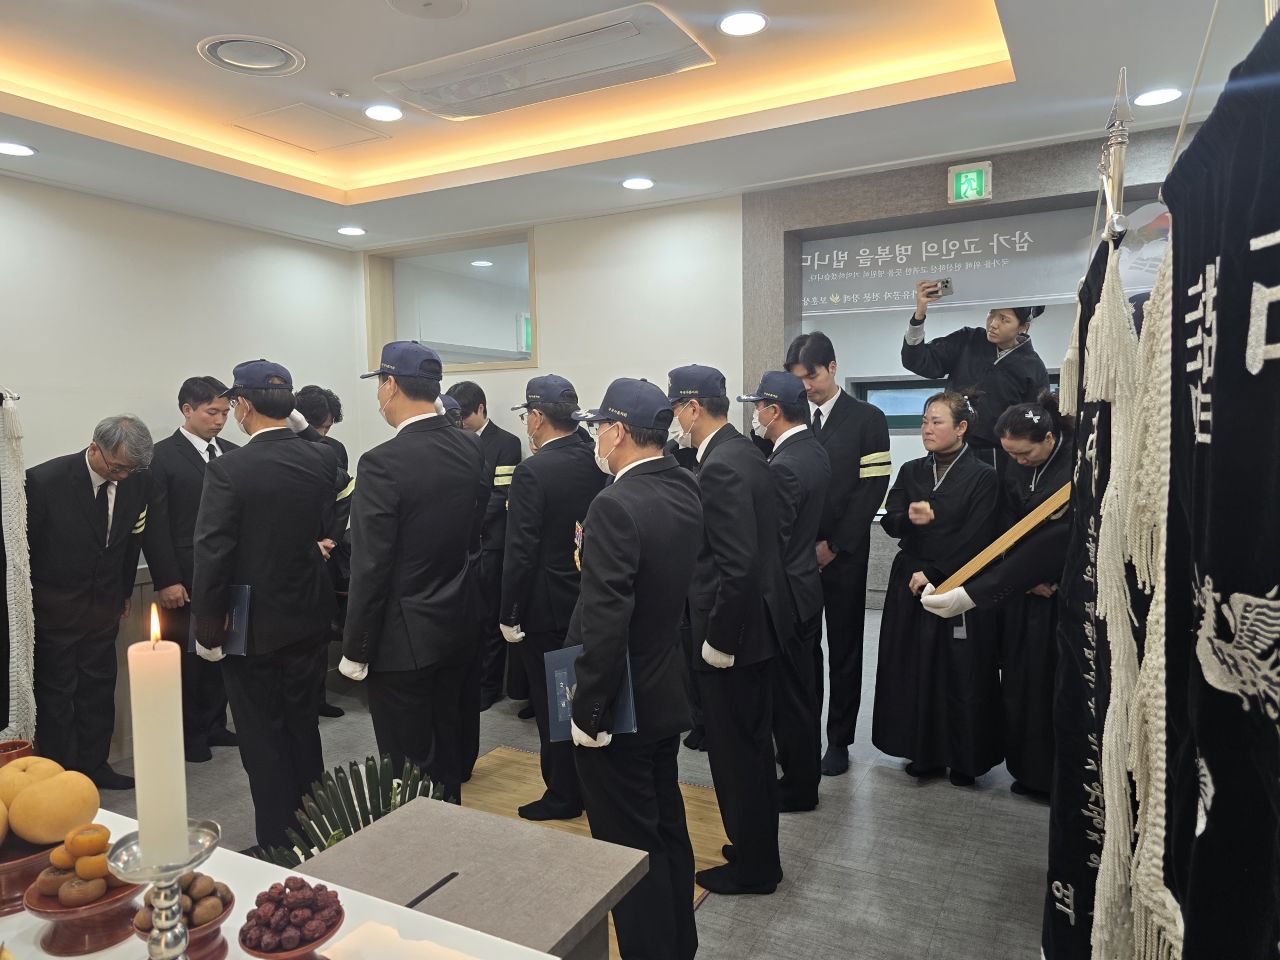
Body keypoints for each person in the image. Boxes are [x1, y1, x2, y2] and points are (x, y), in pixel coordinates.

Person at [568, 377, 702, 960]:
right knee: (666, 827)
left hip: (621, 701)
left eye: (600, 427)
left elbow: (606, 620)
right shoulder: (682, 484)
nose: (597, 437)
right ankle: (677, 945)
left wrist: (589, 711)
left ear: (618, 431)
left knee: (625, 848)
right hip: (664, 686)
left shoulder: (614, 504)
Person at [191, 360, 339, 849]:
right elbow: (327, 457)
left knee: (263, 740)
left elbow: (213, 553)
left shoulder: (229, 469)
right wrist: (297, 420)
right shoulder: (319, 459)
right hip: (308, 617)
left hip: (251, 625)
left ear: (242, 406)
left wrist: (207, 630)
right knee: (303, 729)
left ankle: (278, 844)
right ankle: (317, 830)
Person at [339, 342, 488, 805]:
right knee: (446, 753)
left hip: (401, 640)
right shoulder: (470, 447)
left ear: (389, 385)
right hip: (457, 623)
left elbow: (371, 564)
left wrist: (355, 647)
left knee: (408, 768)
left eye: (379, 386)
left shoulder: (381, 462)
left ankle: (421, 850)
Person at [669, 364, 792, 895]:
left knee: (737, 757)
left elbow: (736, 566)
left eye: (676, 409)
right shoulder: (744, 452)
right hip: (757, 627)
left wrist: (718, 641)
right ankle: (754, 848)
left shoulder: (720, 465)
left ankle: (756, 868)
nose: (674, 420)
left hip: (734, 636)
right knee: (751, 750)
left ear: (693, 407)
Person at [922, 391, 1074, 799]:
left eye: (1025, 454)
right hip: (1020, 589)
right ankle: (1025, 770)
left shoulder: (1076, 466)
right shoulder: (1013, 463)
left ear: (1048, 439)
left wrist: (1034, 576)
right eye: (1010, 455)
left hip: (1057, 593)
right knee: (1018, 681)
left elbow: (1063, 538)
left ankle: (1053, 778)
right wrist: (1019, 575)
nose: (1018, 462)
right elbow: (1006, 521)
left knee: (1050, 684)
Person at [871, 392, 1002, 786]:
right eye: (925, 421)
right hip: (910, 579)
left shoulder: (984, 476)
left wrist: (936, 573)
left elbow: (980, 535)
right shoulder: (912, 470)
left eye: (937, 421)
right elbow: (890, 519)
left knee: (960, 670)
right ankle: (922, 752)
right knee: (913, 667)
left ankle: (963, 758)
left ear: (961, 428)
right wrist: (909, 518)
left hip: (959, 581)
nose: (927, 428)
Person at [500, 375, 607, 820]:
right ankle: (589, 787)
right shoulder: (596, 459)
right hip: (588, 599)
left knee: (553, 708)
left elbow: (520, 550)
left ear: (538, 417)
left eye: (528, 415)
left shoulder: (533, 471)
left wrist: (509, 613)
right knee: (585, 701)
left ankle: (563, 794)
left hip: (544, 608)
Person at [27, 415, 153, 790]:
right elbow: (26, 553)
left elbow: (131, 540)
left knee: (98, 690)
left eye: (130, 469)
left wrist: (124, 591)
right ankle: (63, 776)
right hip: (54, 611)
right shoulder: (44, 481)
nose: (123, 476)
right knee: (57, 695)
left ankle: (95, 766)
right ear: (95, 448)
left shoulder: (137, 480)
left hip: (104, 608)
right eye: (117, 468)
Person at [785, 331, 891, 776]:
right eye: (798, 379)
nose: (806, 386)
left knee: (845, 649)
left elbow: (873, 487)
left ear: (832, 367)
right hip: (797, 557)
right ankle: (803, 733)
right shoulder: (792, 418)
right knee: (802, 649)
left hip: (844, 554)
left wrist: (835, 545)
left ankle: (839, 740)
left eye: (811, 376)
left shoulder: (867, 417)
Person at [739, 370, 831, 812]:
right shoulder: (813, 449)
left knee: (791, 698)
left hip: (787, 597)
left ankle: (797, 786)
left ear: (774, 411)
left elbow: (771, 543)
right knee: (803, 691)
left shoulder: (785, 466)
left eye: (759, 407)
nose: (756, 415)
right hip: (806, 587)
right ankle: (801, 775)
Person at [142, 377, 238, 763]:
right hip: (183, 576)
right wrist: (167, 579)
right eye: (211, 412)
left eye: (225, 413)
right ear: (187, 410)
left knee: (221, 652)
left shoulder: (233, 453)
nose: (219, 420)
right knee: (186, 660)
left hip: (227, 574)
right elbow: (155, 523)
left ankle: (215, 723)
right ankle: (190, 733)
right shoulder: (161, 457)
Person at [901, 281, 1050, 466]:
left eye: (1004, 319)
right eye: (991, 313)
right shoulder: (968, 339)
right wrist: (919, 315)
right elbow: (917, 361)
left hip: (998, 458)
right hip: (950, 447)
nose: (993, 324)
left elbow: (1034, 423)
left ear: (1023, 327)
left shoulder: (1033, 368)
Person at [448, 381, 523, 727]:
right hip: (459, 544)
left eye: (465, 415)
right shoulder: (451, 440)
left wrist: (469, 522)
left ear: (481, 408)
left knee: (491, 616)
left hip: (490, 542)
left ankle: (489, 685)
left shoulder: (506, 443)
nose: (460, 422)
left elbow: (501, 495)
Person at [291, 386, 352, 721]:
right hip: (292, 554)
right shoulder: (284, 447)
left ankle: (318, 698)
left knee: (321, 632)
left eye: (328, 427)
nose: (324, 434)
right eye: (319, 427)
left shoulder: (335, 449)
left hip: (327, 553)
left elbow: (343, 496)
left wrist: (331, 539)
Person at [294, 384, 348, 469]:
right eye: (315, 426)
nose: (321, 433)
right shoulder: (287, 448)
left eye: (327, 427)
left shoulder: (337, 448)